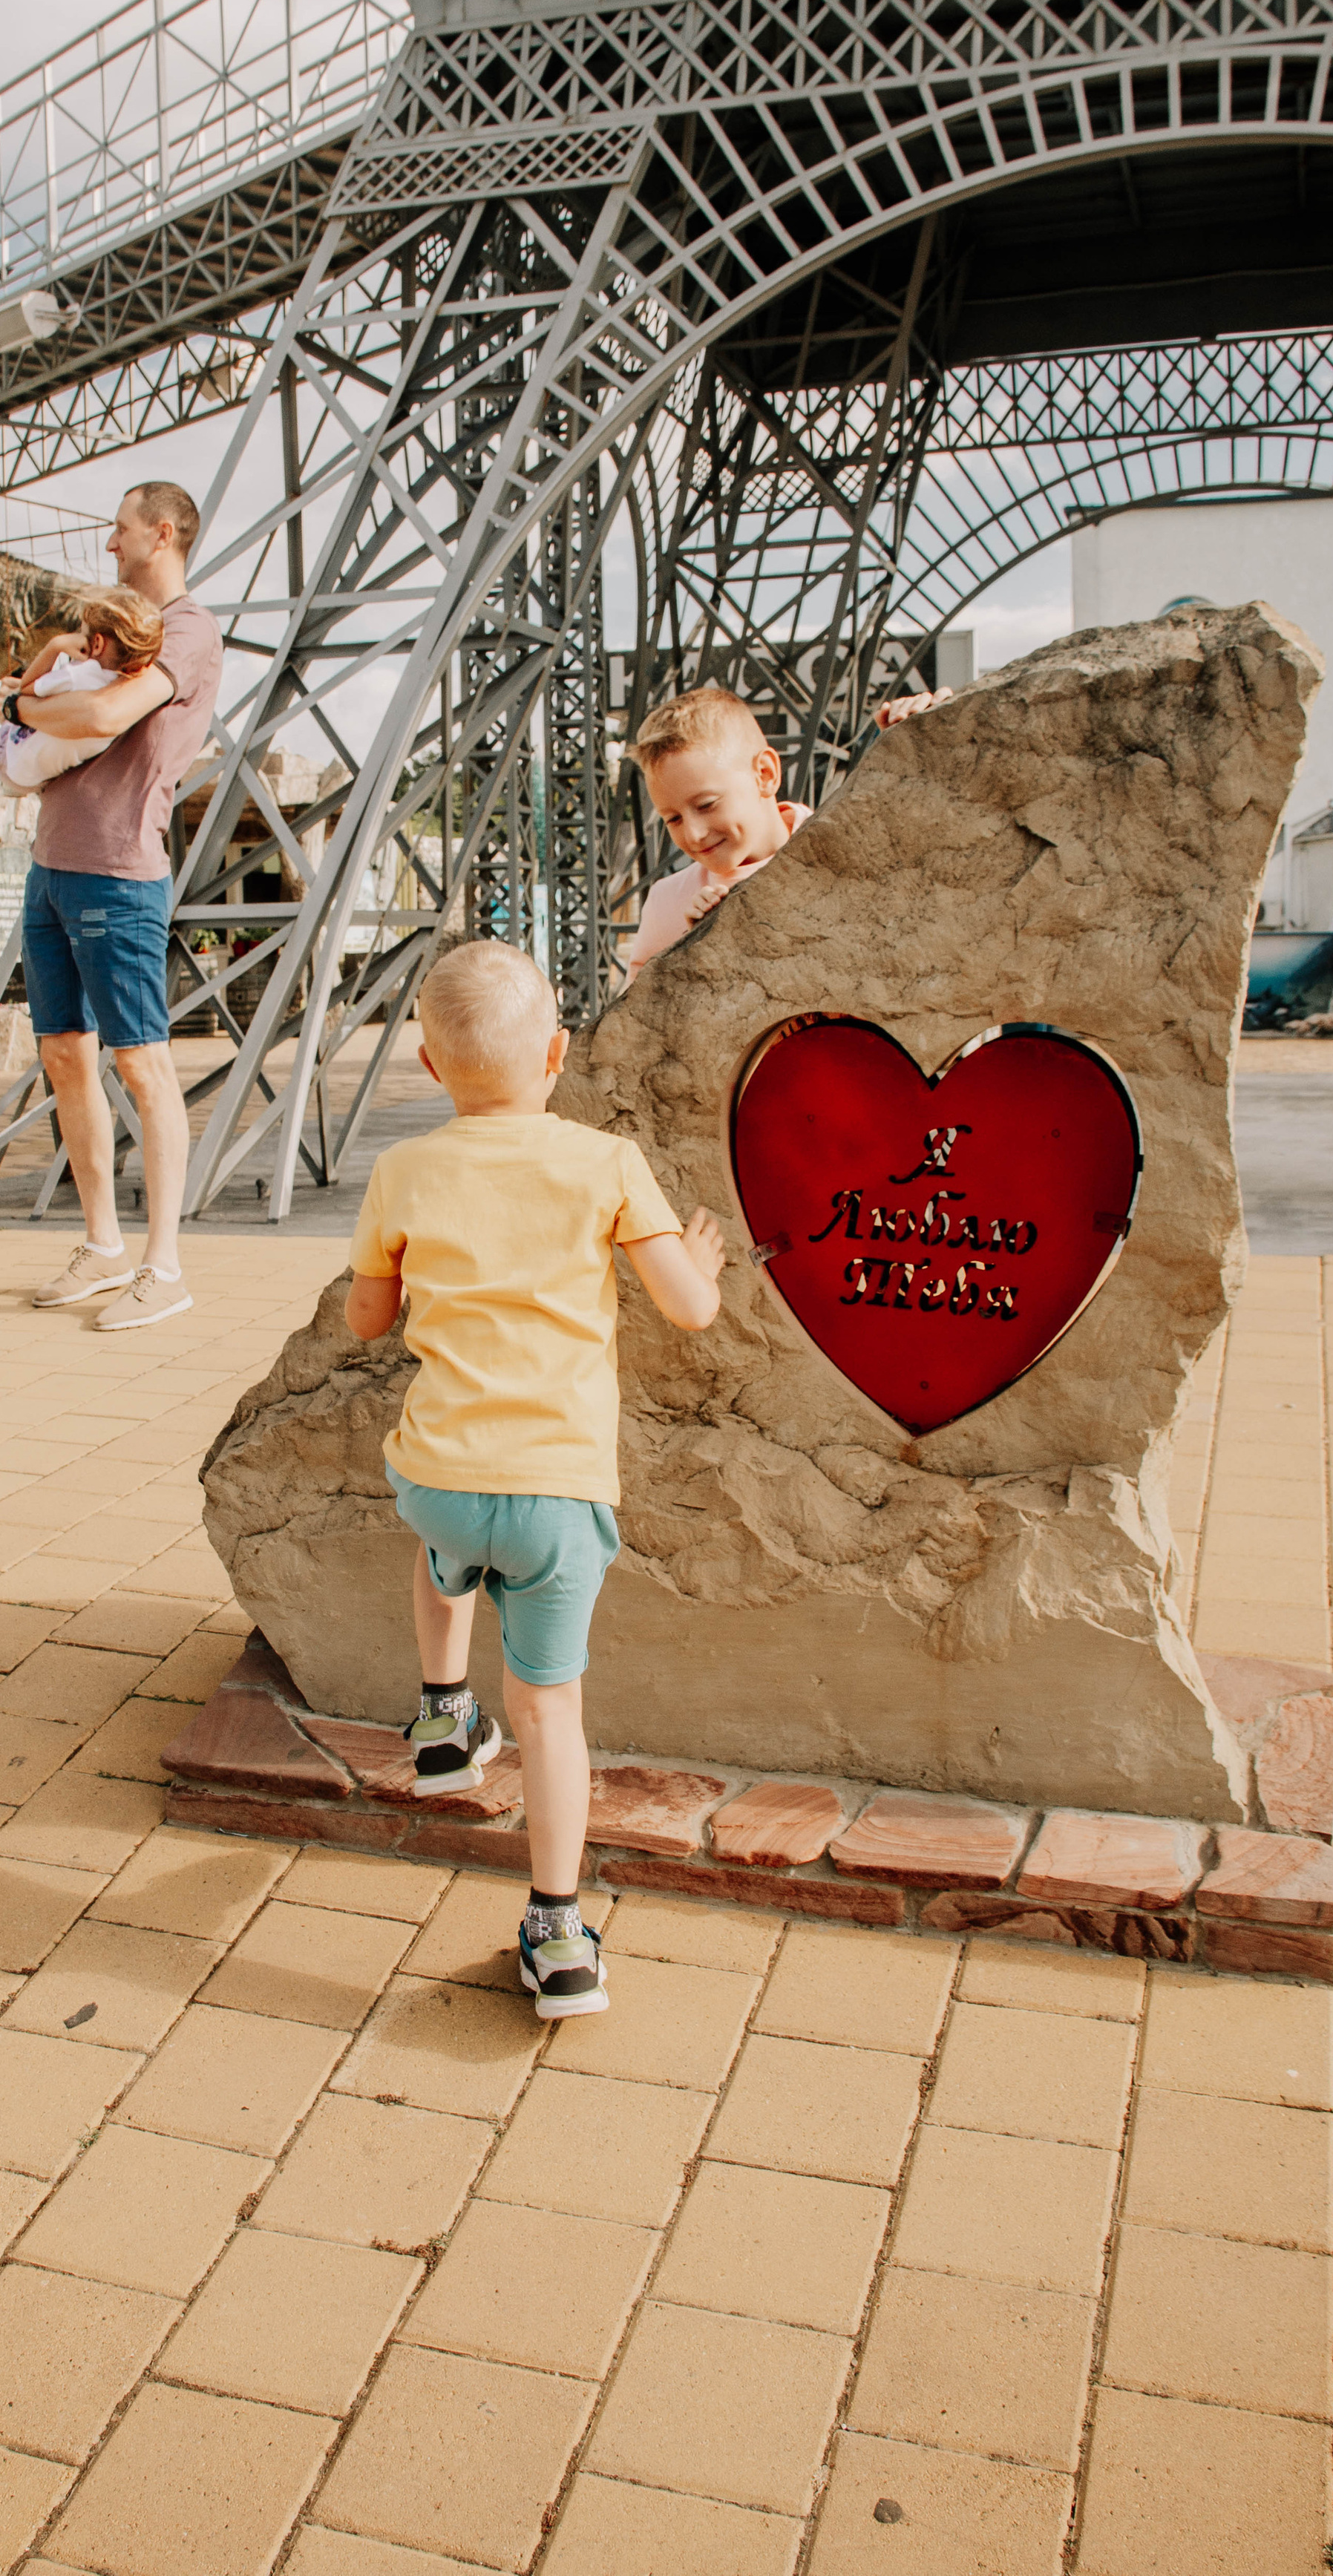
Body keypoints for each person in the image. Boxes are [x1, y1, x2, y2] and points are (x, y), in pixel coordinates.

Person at [344, 940, 724, 2017]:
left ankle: (440, 1716)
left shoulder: (402, 1172)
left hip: (442, 1478)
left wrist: (389, 1281)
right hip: (559, 1495)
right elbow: (690, 1309)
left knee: (441, 1551)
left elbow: (367, 1319)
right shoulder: (607, 1163)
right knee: (550, 1710)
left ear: (428, 1066)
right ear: (558, 1052)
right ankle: (558, 1935)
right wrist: (703, 1261)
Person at [0, 480, 223, 1333]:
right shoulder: (107, 630)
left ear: (161, 534)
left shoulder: (188, 630)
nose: (108, 543)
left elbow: (98, 711)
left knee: (142, 1065)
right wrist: (39, 697)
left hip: (119, 874)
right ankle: (103, 1247)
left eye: (120, 529)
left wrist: (18, 704)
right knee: (64, 1056)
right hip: (52, 866)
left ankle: (165, 1268)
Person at [624, 681, 954, 983]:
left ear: (765, 774)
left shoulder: (854, 852)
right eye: (673, 820)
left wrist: (926, 742)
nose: (694, 834)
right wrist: (691, 955)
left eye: (707, 805)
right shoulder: (668, 904)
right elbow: (635, 1022)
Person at [0, 588, 166, 791]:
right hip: (37, 780)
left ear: (97, 644)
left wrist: (55, 646)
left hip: (8, 758)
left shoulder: (78, 675)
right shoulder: (127, 697)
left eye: (82, 633)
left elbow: (26, 689)